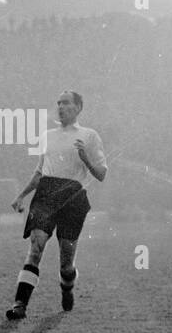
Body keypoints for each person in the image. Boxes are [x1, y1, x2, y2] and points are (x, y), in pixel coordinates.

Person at [6, 90, 106, 319]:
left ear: (78, 107)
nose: (60, 107)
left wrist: (85, 158)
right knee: (36, 247)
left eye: (66, 103)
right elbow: (40, 171)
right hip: (46, 194)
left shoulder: (89, 136)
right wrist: (21, 195)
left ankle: (67, 287)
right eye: (58, 103)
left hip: (73, 196)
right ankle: (20, 304)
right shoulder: (48, 135)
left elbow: (101, 174)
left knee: (66, 263)